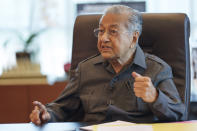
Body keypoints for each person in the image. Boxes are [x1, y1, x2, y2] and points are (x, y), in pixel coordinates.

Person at [30, 5, 185, 125]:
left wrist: (155, 97)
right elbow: (62, 107)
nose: (103, 38)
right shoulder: (86, 69)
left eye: (113, 32)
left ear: (133, 38)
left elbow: (179, 115)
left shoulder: (157, 69)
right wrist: (47, 114)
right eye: (101, 31)